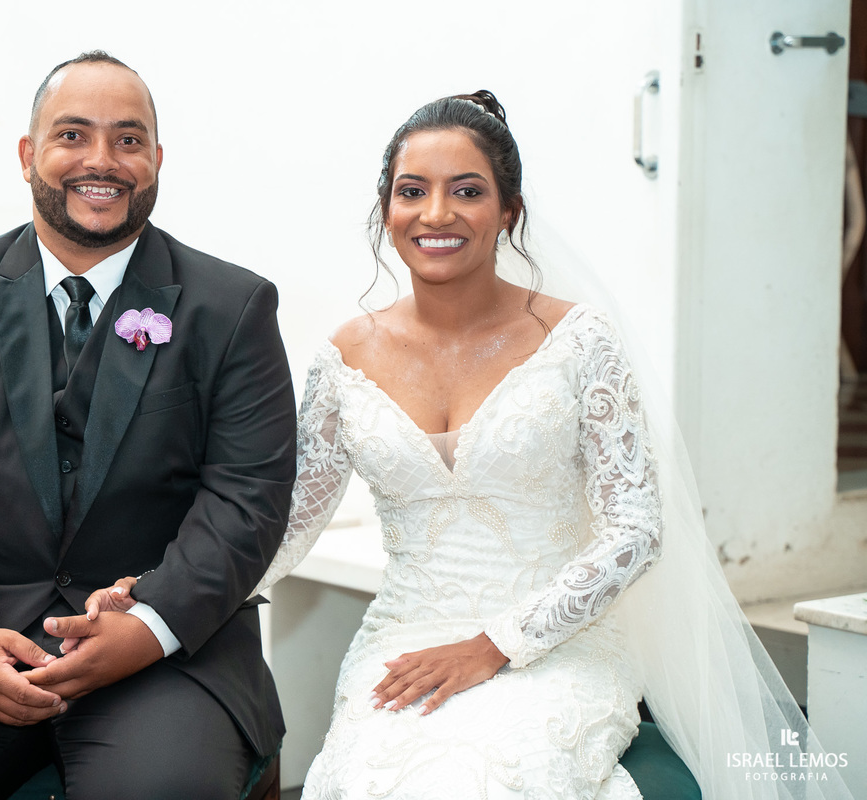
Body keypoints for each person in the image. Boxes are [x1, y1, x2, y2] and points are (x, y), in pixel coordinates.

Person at [93, 93, 853, 798]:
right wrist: (164, 589)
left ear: (507, 210)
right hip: (404, 639)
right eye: (412, 190)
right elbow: (287, 523)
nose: (436, 213)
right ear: (386, 208)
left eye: (467, 189)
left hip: (558, 641)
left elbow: (634, 531)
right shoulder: (344, 357)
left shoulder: (578, 340)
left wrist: (495, 645)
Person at [0, 51, 296, 800]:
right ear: (30, 154)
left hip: (164, 642)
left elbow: (247, 499)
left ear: (157, 160)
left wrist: (149, 623)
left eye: (129, 140)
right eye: (73, 135)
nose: (102, 160)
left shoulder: (233, 307)